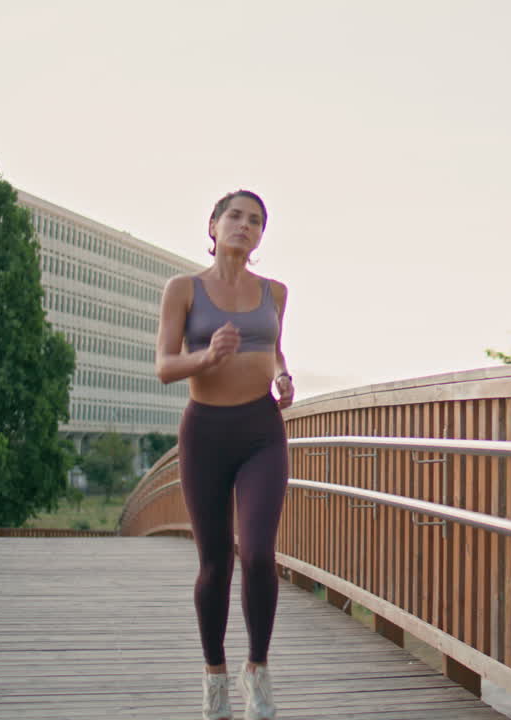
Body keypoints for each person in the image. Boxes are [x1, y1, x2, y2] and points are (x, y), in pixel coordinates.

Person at [155, 189, 294, 720]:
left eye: (255, 220)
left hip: (261, 429)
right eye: (234, 216)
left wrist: (282, 376)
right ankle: (215, 675)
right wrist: (207, 355)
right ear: (213, 226)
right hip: (205, 433)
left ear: (261, 235)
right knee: (215, 564)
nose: (244, 225)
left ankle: (257, 671)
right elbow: (165, 366)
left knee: (258, 553)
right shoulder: (183, 289)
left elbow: (275, 348)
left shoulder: (276, 293)